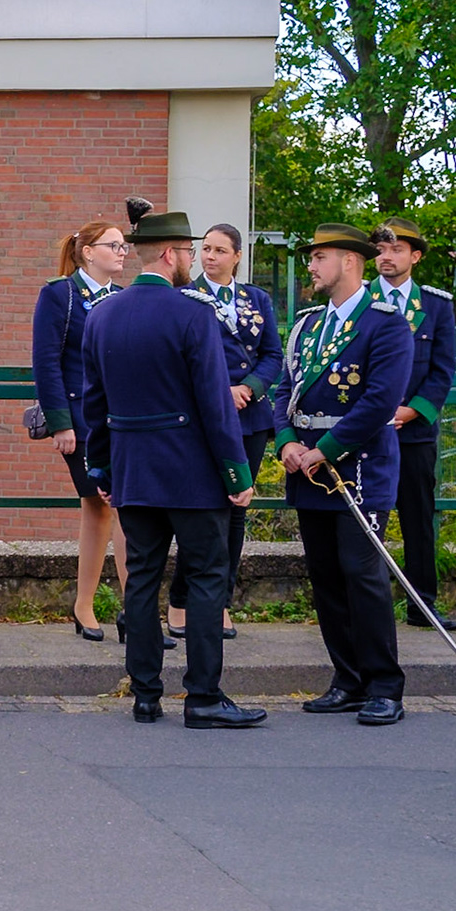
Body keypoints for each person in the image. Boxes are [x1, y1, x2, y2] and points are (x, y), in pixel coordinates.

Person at [83, 205, 265, 729]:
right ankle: (203, 696)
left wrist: (103, 470)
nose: (193, 259)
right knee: (207, 579)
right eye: (188, 251)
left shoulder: (103, 314)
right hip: (191, 475)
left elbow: (94, 403)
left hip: (134, 471)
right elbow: (213, 402)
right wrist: (237, 473)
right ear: (170, 254)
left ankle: (145, 694)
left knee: (140, 580)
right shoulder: (193, 314)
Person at [274, 223, 414, 726]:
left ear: (349, 262)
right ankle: (347, 680)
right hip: (308, 470)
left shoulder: (386, 325)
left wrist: (325, 449)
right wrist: (286, 441)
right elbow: (281, 390)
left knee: (363, 574)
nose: (310, 267)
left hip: (358, 470)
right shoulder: (308, 325)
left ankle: (384, 685)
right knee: (326, 576)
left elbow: (379, 402)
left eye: (319, 258)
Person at [167, 221, 283, 639]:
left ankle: (220, 602)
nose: (210, 256)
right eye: (205, 250)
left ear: (237, 255)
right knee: (203, 511)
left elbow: (272, 354)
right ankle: (181, 599)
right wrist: (222, 390)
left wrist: (249, 389)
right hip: (204, 418)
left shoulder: (257, 298)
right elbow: (180, 359)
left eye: (219, 250)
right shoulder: (183, 297)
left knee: (236, 511)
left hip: (249, 418)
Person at [30, 219, 131, 641]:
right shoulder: (61, 295)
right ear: (88, 252)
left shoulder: (125, 298)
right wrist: (60, 423)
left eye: (125, 245)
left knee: (129, 510)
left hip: (122, 422)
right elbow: (46, 361)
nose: (123, 252)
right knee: (99, 506)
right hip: (81, 423)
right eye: (114, 245)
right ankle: (84, 605)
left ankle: (135, 610)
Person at [373, 217, 456, 631]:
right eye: (380, 250)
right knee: (366, 523)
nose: (386, 258)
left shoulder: (436, 305)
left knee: (418, 520)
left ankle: (422, 606)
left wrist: (413, 411)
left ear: (415, 256)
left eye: (396, 250)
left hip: (414, 432)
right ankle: (363, 608)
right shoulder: (360, 299)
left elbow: (443, 370)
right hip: (366, 433)